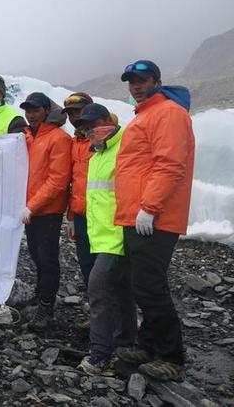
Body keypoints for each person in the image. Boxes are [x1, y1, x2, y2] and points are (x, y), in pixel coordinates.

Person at [114, 60, 194, 382]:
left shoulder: (169, 113)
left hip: (154, 218)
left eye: (142, 80)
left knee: (150, 286)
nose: (136, 86)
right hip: (139, 216)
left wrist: (149, 207)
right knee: (140, 284)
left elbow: (170, 164)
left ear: (157, 81)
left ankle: (171, 357)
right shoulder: (144, 115)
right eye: (132, 81)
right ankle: (148, 344)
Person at [73, 103, 137, 375]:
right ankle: (126, 344)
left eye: (93, 124)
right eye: (85, 127)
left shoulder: (125, 148)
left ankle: (100, 353)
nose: (89, 131)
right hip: (101, 236)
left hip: (119, 234)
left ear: (107, 121)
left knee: (98, 290)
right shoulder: (97, 154)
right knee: (121, 292)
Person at [19, 92, 72, 331]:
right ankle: (41, 293)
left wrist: (33, 205)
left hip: (47, 210)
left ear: (46, 110)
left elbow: (58, 181)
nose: (30, 114)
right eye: (27, 110)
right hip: (31, 209)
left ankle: (46, 306)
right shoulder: (30, 137)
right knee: (35, 254)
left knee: (47, 257)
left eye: (35, 110)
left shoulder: (58, 139)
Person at [61, 91, 97, 328]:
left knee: (108, 269)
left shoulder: (104, 139)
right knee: (87, 266)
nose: (75, 117)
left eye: (80, 111)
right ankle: (98, 316)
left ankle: (121, 320)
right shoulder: (75, 142)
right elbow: (74, 181)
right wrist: (71, 216)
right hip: (81, 213)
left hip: (105, 215)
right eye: (71, 113)